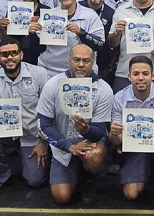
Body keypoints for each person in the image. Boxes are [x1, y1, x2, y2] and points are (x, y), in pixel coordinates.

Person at [36, 44, 112, 205]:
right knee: (61, 198)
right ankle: (70, 170)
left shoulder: (104, 89)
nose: (81, 65)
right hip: (63, 145)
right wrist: (69, 147)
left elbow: (99, 131)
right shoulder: (52, 85)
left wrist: (87, 130)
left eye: (86, 61)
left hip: (90, 143)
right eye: (76, 60)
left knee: (94, 157)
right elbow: (43, 125)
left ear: (93, 63)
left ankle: (89, 181)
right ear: (69, 61)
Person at [0, 37, 52, 193]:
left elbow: (51, 111)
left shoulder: (39, 74)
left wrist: (43, 142)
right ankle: (1, 175)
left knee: (35, 181)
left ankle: (40, 160)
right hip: (5, 133)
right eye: (5, 54)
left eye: (14, 53)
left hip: (33, 134)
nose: (9, 57)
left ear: (21, 55)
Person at [109, 56, 154, 214]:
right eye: (136, 73)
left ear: (153, 76)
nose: (141, 77)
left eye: (145, 73)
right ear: (129, 77)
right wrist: (114, 134)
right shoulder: (118, 98)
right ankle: (148, 170)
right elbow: (115, 140)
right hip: (133, 145)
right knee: (131, 194)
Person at [37, 0, 105, 75]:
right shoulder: (48, 15)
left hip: (81, 71)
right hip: (50, 70)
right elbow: (38, 47)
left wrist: (81, 32)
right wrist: (32, 33)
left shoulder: (90, 15)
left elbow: (100, 45)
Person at [0, 0, 46, 66]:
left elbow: (46, 45)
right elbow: (5, 39)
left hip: (40, 60)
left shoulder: (45, 12)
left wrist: (33, 32)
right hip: (16, 59)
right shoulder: (13, 10)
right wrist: (2, 29)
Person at [80, 0, 116, 84]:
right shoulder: (77, 8)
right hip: (79, 64)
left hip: (102, 66)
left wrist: (111, 64)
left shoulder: (111, 13)